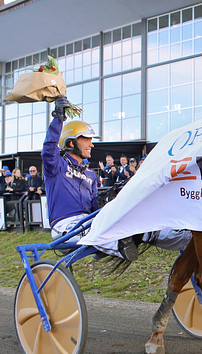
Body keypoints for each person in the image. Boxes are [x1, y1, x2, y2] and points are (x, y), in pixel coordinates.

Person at [43, 96, 191, 261]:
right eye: (86, 139)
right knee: (108, 226)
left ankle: (184, 239)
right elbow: (49, 149)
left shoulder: (91, 175)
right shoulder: (56, 167)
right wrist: (58, 118)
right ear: (71, 143)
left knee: (136, 220)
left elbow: (94, 207)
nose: (91, 144)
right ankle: (121, 244)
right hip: (66, 228)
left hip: (89, 222)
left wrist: (106, 202)